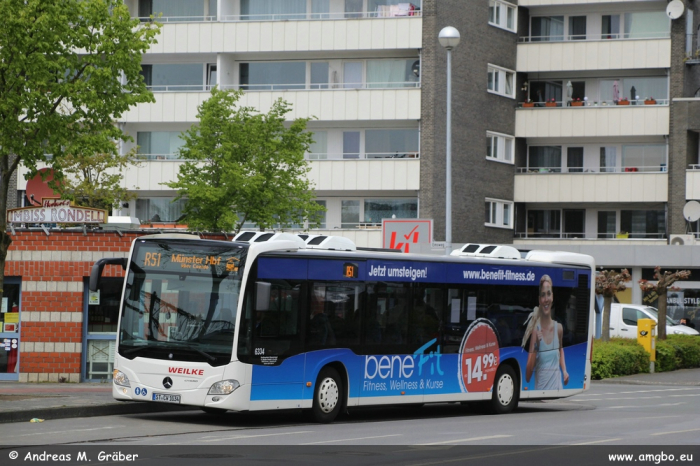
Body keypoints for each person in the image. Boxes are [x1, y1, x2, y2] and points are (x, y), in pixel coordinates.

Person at [523, 275, 569, 390]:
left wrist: (564, 371)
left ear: (552, 297)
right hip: (541, 396)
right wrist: (535, 347)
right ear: (539, 300)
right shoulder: (535, 331)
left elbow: (560, 350)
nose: (546, 299)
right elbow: (528, 376)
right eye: (543, 295)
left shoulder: (559, 328)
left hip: (557, 392)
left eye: (548, 294)